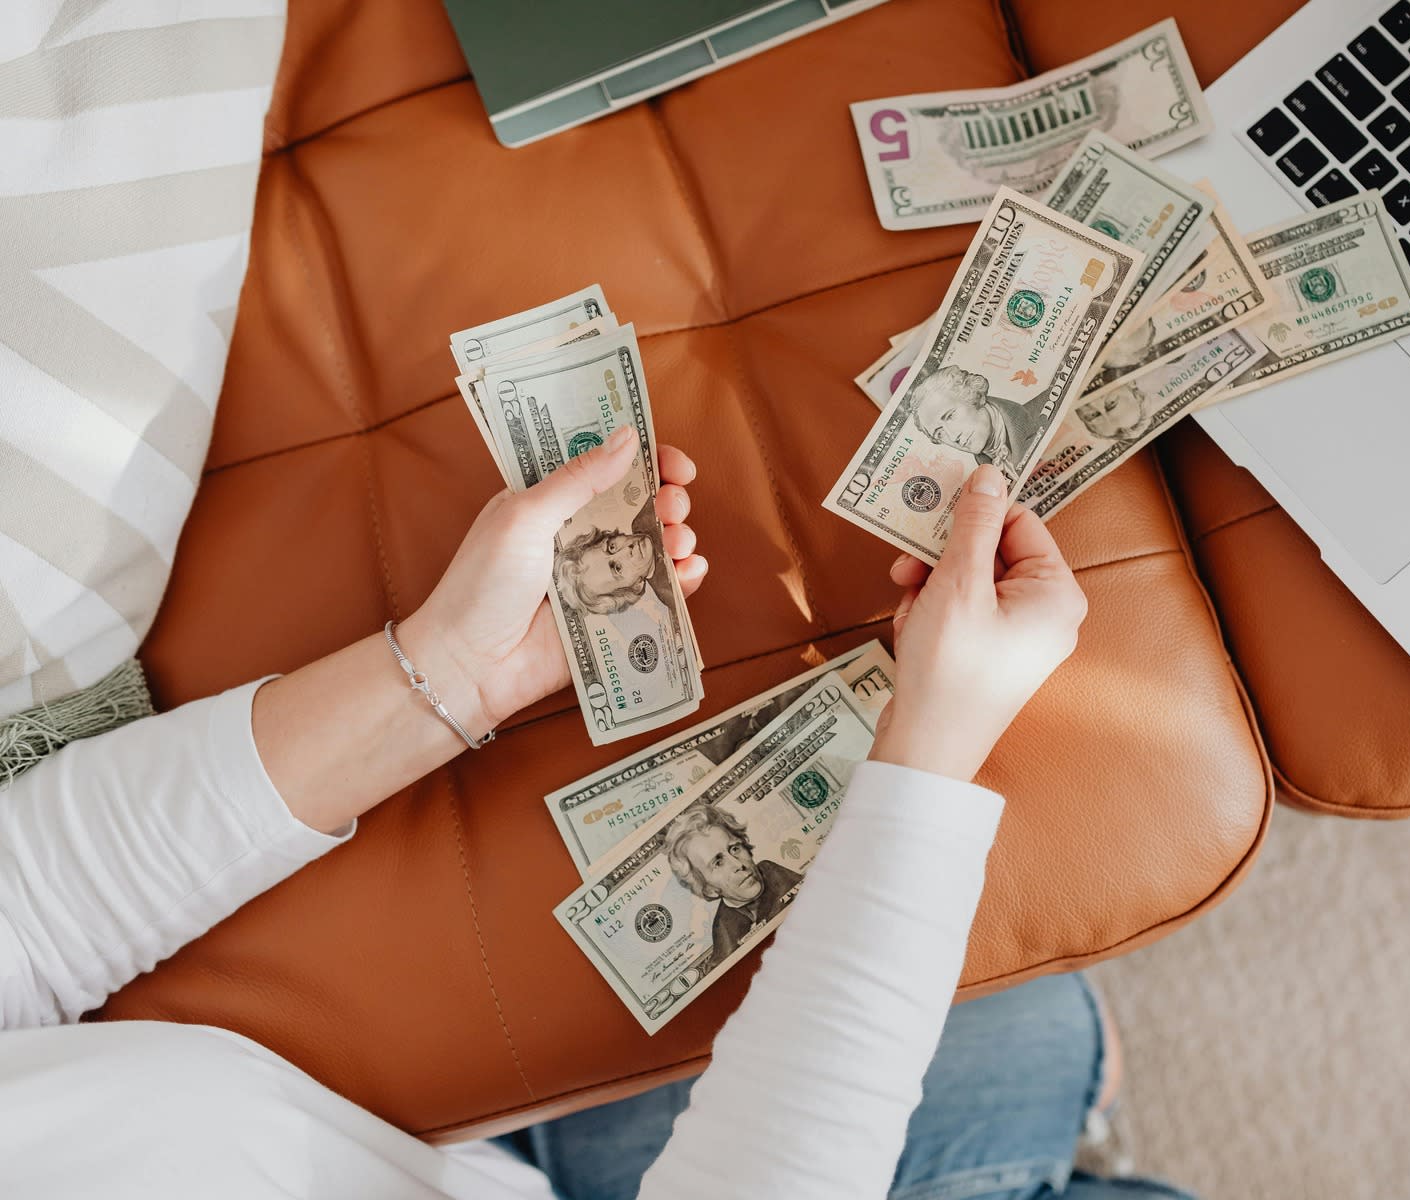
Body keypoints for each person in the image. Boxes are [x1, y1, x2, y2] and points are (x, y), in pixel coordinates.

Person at [0, 426, 1194, 1199]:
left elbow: (34, 910)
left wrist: (450, 672)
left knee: (1026, 1040)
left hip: (437, 1146)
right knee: (1037, 1044)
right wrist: (932, 745)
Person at [663, 803, 803, 960]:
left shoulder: (773, 872)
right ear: (709, 889)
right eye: (718, 863)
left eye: (735, 849)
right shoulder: (724, 932)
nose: (738, 865)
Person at [905, 365, 1039, 477]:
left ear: (975, 395)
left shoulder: (1040, 414)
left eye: (950, 416)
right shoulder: (982, 470)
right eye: (939, 434)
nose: (953, 436)